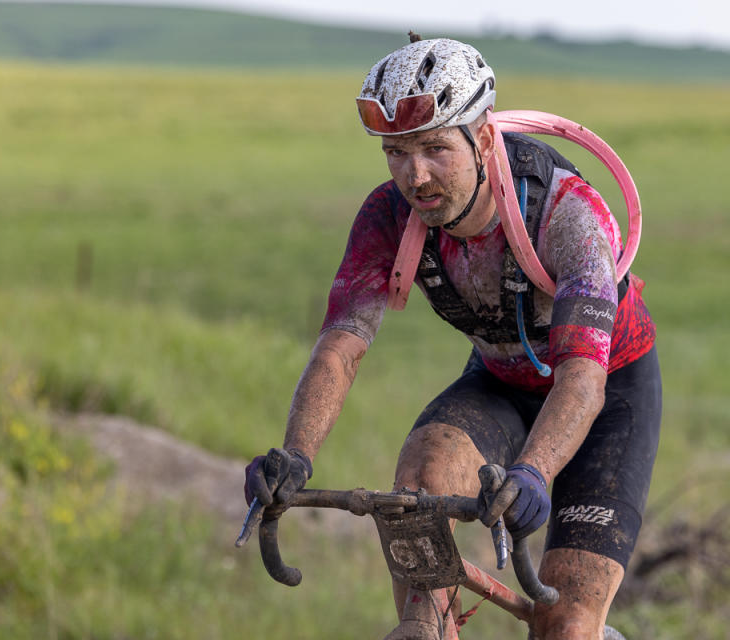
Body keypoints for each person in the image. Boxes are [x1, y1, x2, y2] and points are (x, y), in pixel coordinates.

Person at [244, 36, 661, 640]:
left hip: (606, 392)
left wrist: (535, 473)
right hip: (501, 381)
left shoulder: (569, 213)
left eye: (436, 148)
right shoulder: (387, 216)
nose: (416, 175)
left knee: (566, 625)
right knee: (420, 482)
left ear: (485, 138)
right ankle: (426, 626)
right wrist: (295, 455)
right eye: (396, 153)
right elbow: (341, 346)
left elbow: (582, 379)